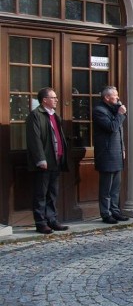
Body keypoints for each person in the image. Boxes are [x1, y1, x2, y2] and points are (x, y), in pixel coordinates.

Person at [26, 87, 70, 234]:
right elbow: (34, 140)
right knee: (41, 193)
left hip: (56, 159)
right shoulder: (35, 115)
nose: (56, 100)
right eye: (53, 97)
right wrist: (40, 159)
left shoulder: (55, 115)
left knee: (52, 193)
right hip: (44, 161)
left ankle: (52, 219)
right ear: (45, 100)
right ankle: (40, 222)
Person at [93, 86, 130, 223]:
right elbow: (112, 128)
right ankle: (106, 213)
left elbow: (120, 133)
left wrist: (123, 149)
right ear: (107, 98)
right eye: (115, 95)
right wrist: (120, 114)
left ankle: (115, 211)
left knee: (115, 187)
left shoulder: (114, 110)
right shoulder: (99, 111)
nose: (118, 98)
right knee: (106, 188)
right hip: (106, 154)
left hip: (117, 152)